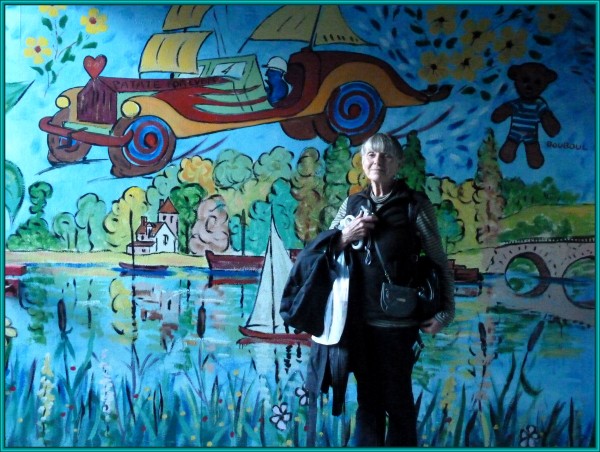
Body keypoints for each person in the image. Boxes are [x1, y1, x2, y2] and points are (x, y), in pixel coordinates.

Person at [306, 132, 455, 447]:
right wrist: (346, 235)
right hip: (357, 327)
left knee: (399, 405)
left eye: (387, 155)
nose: (378, 161)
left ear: (398, 163)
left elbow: (440, 261)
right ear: (362, 161)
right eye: (372, 155)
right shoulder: (352, 204)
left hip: (398, 329)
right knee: (367, 405)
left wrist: (446, 311)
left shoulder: (414, 205)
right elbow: (322, 253)